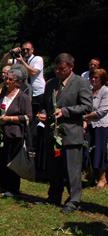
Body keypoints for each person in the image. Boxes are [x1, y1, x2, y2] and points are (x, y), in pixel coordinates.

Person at [37, 53, 93, 213]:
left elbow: (87, 107)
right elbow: (45, 105)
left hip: (71, 133)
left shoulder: (81, 83)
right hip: (53, 134)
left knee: (72, 170)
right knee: (54, 169)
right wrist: (43, 113)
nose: (58, 72)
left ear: (70, 67)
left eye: (61, 69)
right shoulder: (51, 84)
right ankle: (54, 196)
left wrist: (66, 111)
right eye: (56, 69)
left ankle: (74, 200)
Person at [0, 68, 32, 197]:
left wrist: (10, 118)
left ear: (16, 82)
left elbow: (28, 117)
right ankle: (3, 186)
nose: (7, 81)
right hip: (1, 133)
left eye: (10, 79)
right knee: (2, 161)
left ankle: (13, 189)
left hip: (15, 133)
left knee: (12, 161)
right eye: (6, 78)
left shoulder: (23, 97)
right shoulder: (2, 95)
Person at [83, 68, 108, 188]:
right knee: (89, 151)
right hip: (90, 125)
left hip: (102, 126)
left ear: (102, 79)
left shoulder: (105, 91)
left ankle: (102, 178)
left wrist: (84, 117)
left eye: (96, 77)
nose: (93, 79)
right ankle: (92, 176)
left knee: (100, 151)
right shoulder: (89, 91)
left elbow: (101, 111)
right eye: (92, 77)